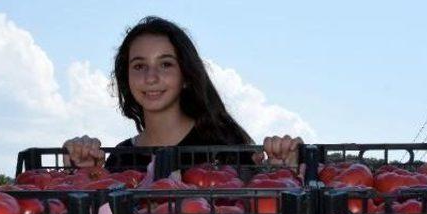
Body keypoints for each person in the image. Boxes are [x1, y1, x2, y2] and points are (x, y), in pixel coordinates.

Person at [63, 16, 303, 170]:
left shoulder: (227, 148)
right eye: (139, 66)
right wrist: (87, 176)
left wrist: (282, 172)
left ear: (186, 75)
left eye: (166, 64)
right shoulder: (119, 159)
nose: (151, 77)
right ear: (126, 79)